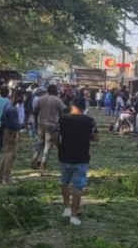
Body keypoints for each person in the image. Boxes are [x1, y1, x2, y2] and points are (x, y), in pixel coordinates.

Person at [57, 97, 99, 226]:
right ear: (84, 106)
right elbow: (96, 137)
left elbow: (54, 135)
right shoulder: (89, 121)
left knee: (64, 182)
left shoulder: (63, 119)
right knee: (77, 187)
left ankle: (66, 208)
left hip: (65, 155)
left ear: (72, 105)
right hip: (81, 156)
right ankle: (74, 215)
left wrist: (59, 147)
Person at [32, 84, 66, 170]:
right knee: (48, 145)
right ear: (55, 91)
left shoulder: (41, 98)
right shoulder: (57, 100)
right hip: (52, 125)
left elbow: (35, 111)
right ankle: (43, 163)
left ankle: (34, 160)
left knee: (39, 143)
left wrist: (36, 122)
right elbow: (64, 111)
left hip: (41, 123)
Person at [0, 92, 25, 184]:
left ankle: (0, 175)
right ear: (16, 97)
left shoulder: (7, 105)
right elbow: (14, 125)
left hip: (5, 130)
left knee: (6, 153)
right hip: (11, 132)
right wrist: (22, 126)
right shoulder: (13, 109)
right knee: (11, 155)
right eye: (20, 98)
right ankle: (6, 177)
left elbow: (1, 118)